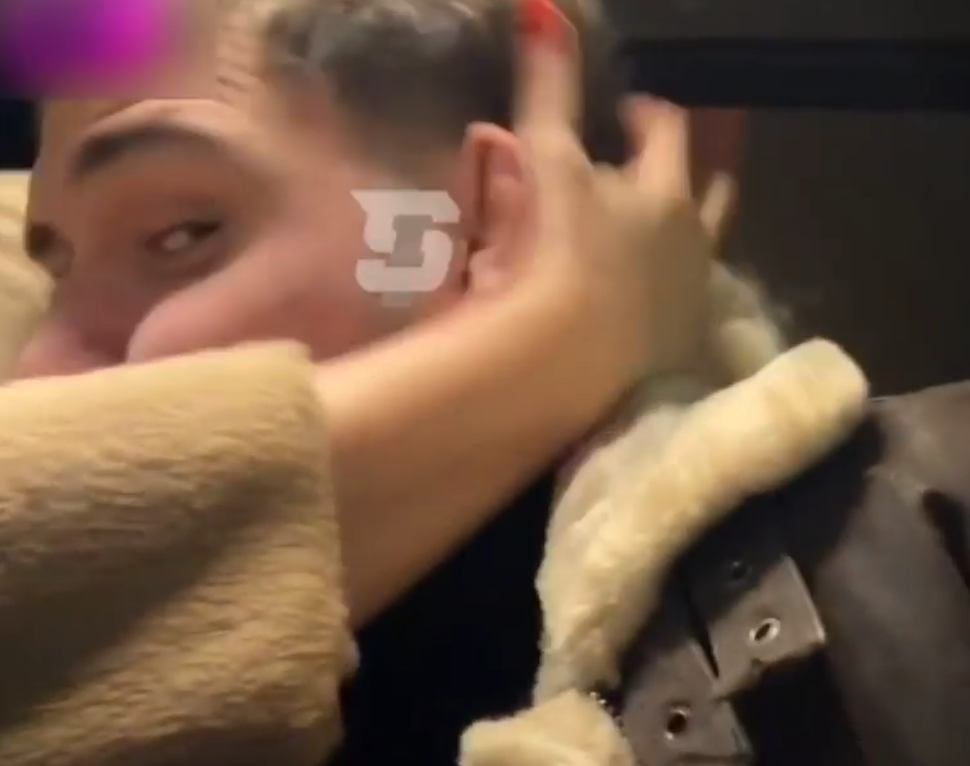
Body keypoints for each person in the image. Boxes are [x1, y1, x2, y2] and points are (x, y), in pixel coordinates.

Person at [0, 3, 879, 766]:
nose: (34, 374)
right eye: (58, 270)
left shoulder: (857, 607)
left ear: (477, 221)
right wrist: (571, 328)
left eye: (179, 233)